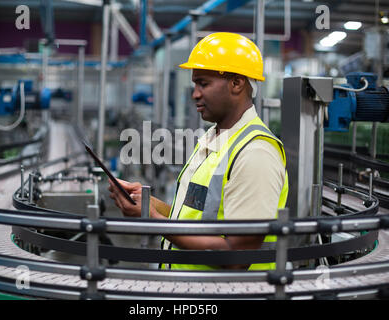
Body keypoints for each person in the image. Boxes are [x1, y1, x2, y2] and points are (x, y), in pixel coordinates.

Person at [108, 32, 288, 271]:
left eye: (203, 83)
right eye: (195, 84)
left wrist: (153, 220)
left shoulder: (255, 152)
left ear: (237, 83)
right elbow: (195, 217)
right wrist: (151, 205)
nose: (195, 94)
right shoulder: (214, 138)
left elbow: (237, 256)